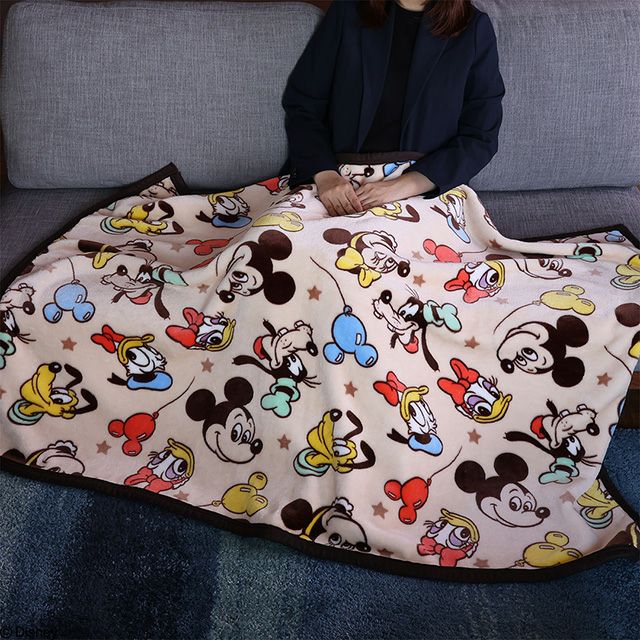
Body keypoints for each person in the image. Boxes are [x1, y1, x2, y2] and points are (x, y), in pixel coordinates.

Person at [280, 0, 506, 216]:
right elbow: (303, 105)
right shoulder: (347, 11)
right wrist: (326, 175)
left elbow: (480, 136)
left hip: (426, 190)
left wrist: (406, 184)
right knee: (276, 238)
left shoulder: (474, 29)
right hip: (337, 181)